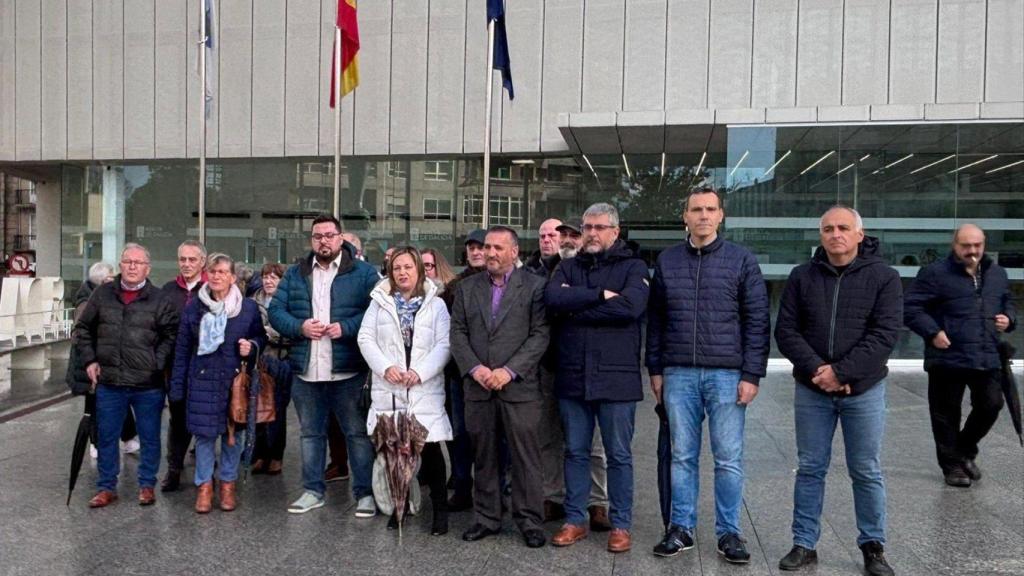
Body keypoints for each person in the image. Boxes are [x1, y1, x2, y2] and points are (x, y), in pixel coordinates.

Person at [774, 207, 901, 576]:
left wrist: (843, 372)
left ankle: (873, 547)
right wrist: (820, 372)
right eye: (828, 229)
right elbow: (786, 331)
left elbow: (885, 335)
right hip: (813, 390)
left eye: (843, 228)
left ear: (860, 235)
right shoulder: (802, 277)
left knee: (865, 470)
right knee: (810, 468)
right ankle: (803, 543)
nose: (835, 235)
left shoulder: (884, 278)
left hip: (863, 390)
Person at [646, 186, 770, 563]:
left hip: (727, 375)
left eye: (710, 209)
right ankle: (680, 528)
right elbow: (656, 321)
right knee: (682, 456)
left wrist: (752, 374)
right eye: (695, 209)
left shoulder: (741, 260)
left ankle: (729, 533)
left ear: (721, 216)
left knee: (728, 458)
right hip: (679, 372)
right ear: (684, 216)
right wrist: (655, 368)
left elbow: (757, 321)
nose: (703, 215)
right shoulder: (667, 261)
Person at [545, 204, 650, 553]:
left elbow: (631, 308)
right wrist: (598, 296)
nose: (591, 233)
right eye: (587, 227)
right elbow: (553, 299)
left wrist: (577, 308)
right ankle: (575, 519)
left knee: (618, 454)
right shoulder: (568, 266)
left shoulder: (633, 267)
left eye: (600, 227)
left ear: (615, 232)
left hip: (617, 378)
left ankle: (620, 525)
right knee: (575, 451)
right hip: (573, 374)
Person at [268, 214, 380, 515]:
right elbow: (275, 310)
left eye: (330, 235)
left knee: (356, 434)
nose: (324, 241)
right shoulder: (296, 273)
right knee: (310, 434)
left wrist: (347, 327)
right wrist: (299, 327)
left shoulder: (364, 272)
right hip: (307, 370)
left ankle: (365, 493)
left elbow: (379, 310)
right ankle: (312, 490)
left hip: (348, 369)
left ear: (340, 238)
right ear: (312, 241)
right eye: (318, 236)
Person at [450, 226, 550, 548]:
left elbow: (540, 336)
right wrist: (476, 369)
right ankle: (487, 518)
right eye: (487, 247)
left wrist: (509, 371)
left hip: (519, 388)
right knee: (485, 456)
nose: (490, 253)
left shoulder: (535, 287)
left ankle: (529, 521)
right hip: (479, 388)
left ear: (514, 252)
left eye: (497, 248)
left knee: (525, 458)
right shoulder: (467, 288)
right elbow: (458, 333)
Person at [904, 223, 1016, 487]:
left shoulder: (997, 274)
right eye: (966, 245)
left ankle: (963, 450)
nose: (972, 251)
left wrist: (1008, 319)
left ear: (984, 244)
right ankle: (953, 466)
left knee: (992, 404)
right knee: (945, 415)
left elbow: (1006, 301)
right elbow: (910, 308)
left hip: (986, 353)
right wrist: (932, 332)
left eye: (977, 245)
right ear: (954, 245)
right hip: (947, 355)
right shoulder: (934, 274)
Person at [74, 243, 179, 508]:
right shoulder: (103, 294)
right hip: (110, 381)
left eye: (138, 262)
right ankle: (106, 487)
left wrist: (157, 362)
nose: (132, 267)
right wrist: (90, 360)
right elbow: (83, 328)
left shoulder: (159, 298)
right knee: (107, 436)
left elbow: (171, 335)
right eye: (127, 262)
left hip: (148, 384)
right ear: (120, 265)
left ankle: (146, 485)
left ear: (148, 268)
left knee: (149, 435)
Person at [358, 246, 453, 535]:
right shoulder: (380, 302)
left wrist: (421, 373)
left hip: (423, 388)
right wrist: (385, 367)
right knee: (395, 453)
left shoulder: (435, 304)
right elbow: (366, 338)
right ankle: (400, 507)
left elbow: (444, 344)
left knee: (432, 450)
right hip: (391, 387)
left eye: (408, 267)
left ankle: (440, 510)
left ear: (419, 271)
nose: (402, 272)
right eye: (397, 267)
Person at [526, 217, 611, 529]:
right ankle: (553, 496)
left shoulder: (595, 268)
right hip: (549, 366)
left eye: (573, 235)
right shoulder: (536, 272)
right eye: (562, 236)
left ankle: (598, 502)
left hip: (589, 365)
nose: (566, 240)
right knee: (548, 437)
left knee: (594, 443)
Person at [169, 253, 267, 513]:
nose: (216, 276)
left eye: (222, 272)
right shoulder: (194, 307)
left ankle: (227, 484)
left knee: (233, 436)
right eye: (212, 272)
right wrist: (177, 388)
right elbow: (182, 349)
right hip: (201, 381)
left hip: (234, 382)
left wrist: (253, 346)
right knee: (204, 437)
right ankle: (204, 487)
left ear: (232, 277)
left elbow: (260, 337)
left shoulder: (246, 308)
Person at [67, 262, 139, 458]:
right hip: (92, 364)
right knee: (95, 406)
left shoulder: (105, 297)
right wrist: (92, 359)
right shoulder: (88, 302)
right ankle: (96, 443)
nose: (115, 280)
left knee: (118, 400)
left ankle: (127, 438)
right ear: (101, 281)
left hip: (108, 361)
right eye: (110, 278)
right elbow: (81, 335)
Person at [442, 229, 488, 511]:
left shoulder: (505, 283)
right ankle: (461, 487)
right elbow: (450, 331)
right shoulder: (454, 287)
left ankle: (490, 490)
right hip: (460, 373)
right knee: (460, 433)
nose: (476, 252)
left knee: (492, 437)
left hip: (495, 373)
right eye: (471, 248)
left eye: (481, 247)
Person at [160, 239, 208, 492]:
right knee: (177, 419)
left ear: (202, 261)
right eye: (183, 259)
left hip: (206, 367)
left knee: (205, 418)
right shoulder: (167, 291)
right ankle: (174, 469)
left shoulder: (213, 289)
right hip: (176, 367)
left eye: (192, 259)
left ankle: (206, 473)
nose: (187, 264)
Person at [250, 262, 293, 476]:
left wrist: (268, 331)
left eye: (273, 277)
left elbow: (289, 328)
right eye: (265, 277)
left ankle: (276, 455)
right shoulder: (252, 301)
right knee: (256, 408)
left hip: (282, 359)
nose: (268, 281)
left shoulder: (288, 301)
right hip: (258, 360)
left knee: (277, 410)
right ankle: (258, 455)